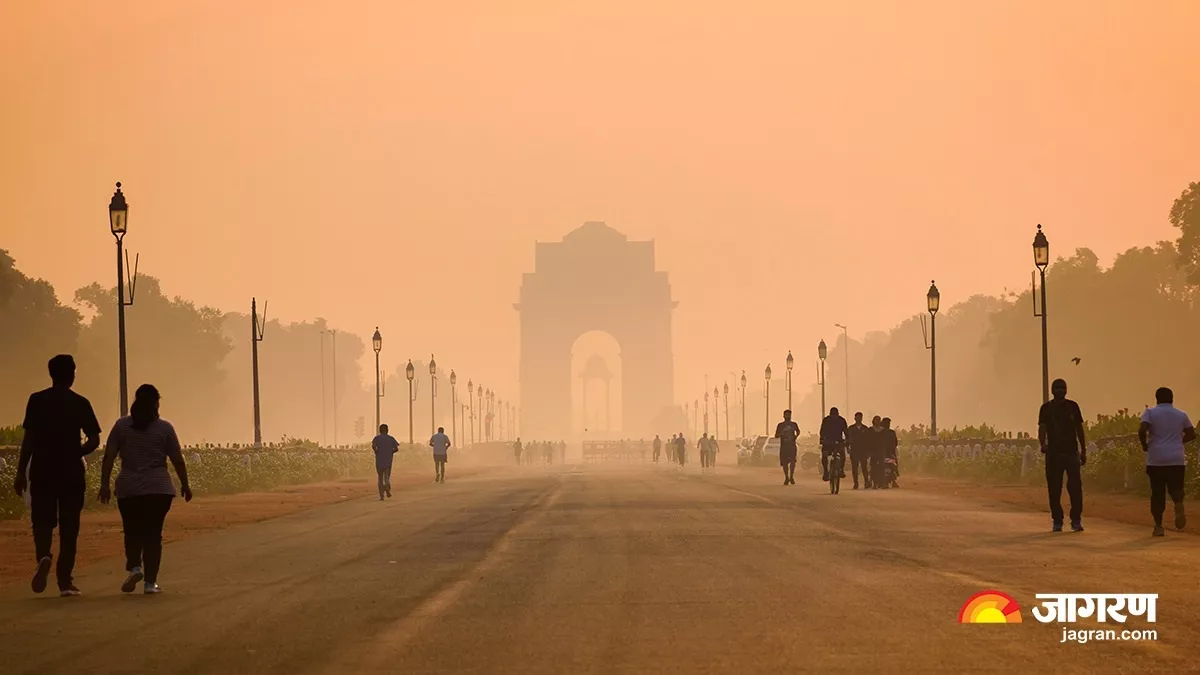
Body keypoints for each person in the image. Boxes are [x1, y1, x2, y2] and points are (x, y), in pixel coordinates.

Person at [13, 355, 102, 596]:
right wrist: (78, 451)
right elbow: (94, 439)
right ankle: (65, 581)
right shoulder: (80, 402)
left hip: (42, 469)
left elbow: (28, 440)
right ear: (72, 374)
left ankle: (43, 555)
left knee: (42, 521)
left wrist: (21, 472)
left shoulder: (37, 400)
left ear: (51, 374)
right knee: (69, 526)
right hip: (71, 471)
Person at [98, 384, 192, 595]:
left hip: (129, 487)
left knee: (132, 530)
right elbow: (177, 459)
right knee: (153, 534)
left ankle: (135, 567)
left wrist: (104, 483)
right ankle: (150, 583)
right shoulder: (165, 428)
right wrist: (185, 484)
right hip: (158, 488)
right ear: (156, 403)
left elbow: (109, 456)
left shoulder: (121, 426)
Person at [1139, 387, 1195, 536]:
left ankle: (1158, 526)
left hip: (1156, 458)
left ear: (1156, 398)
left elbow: (1142, 429)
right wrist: (1178, 442)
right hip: (1176, 458)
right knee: (1176, 487)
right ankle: (1178, 502)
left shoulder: (1150, 412)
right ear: (1172, 398)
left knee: (1157, 493)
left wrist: (1145, 445)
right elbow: (1191, 433)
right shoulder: (1181, 414)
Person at [1038, 378, 1086, 532]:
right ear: (1052, 391)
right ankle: (1057, 520)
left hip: (1071, 452)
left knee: (1075, 487)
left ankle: (1076, 519)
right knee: (1054, 488)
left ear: (1066, 390)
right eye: (1057, 388)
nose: (1060, 390)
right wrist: (1042, 444)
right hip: (1053, 453)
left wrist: (1083, 449)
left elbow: (1079, 429)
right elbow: (1042, 428)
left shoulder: (1073, 407)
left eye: (1062, 388)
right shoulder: (1046, 408)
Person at [819, 407, 848, 482]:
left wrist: (848, 440)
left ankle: (841, 469)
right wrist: (822, 439)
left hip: (839, 440)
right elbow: (822, 431)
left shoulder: (842, 420)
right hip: (828, 441)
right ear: (830, 414)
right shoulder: (826, 420)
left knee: (842, 454)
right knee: (824, 455)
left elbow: (846, 431)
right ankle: (825, 471)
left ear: (838, 414)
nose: (834, 416)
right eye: (833, 415)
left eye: (835, 415)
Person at [371, 424, 400, 499]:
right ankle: (387, 487)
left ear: (380, 430)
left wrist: (376, 451)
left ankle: (381, 495)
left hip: (379, 460)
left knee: (380, 478)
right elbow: (396, 449)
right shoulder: (391, 438)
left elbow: (373, 446)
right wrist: (390, 452)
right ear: (387, 430)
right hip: (388, 460)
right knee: (387, 477)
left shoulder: (377, 438)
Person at [775, 410, 801, 485]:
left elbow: (798, 431)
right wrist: (781, 434)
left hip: (792, 446)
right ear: (783, 416)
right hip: (784, 446)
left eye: (789, 415)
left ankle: (791, 476)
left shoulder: (794, 424)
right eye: (786, 415)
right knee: (785, 463)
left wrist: (796, 436)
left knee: (793, 461)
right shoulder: (780, 425)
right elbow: (776, 435)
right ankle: (786, 477)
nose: (787, 416)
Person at [846, 412, 871, 489]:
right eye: (857, 417)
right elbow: (847, 439)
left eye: (860, 417)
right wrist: (847, 448)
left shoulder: (865, 429)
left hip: (863, 450)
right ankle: (856, 483)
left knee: (864, 467)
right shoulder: (851, 428)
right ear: (855, 418)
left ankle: (866, 482)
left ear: (862, 418)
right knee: (854, 468)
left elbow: (869, 441)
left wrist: (868, 451)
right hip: (854, 450)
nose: (858, 419)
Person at [878, 418, 899, 488]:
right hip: (884, 454)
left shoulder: (890, 432)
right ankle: (888, 481)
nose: (888, 425)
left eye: (889, 423)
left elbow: (895, 443)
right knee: (888, 466)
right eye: (887, 423)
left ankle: (892, 481)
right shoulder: (882, 432)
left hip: (889, 454)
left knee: (892, 466)